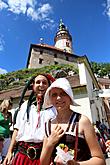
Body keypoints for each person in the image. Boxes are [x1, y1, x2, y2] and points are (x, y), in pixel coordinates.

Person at [40, 78, 105, 165]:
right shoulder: (48, 125)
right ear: (50, 99)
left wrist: (77, 164)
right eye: (54, 95)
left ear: (70, 97)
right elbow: (43, 163)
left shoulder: (82, 121)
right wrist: (50, 144)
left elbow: (100, 160)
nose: (59, 98)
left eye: (63, 94)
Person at [3, 74, 56, 165]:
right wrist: (9, 152)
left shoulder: (54, 108)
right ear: (33, 86)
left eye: (44, 83)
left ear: (48, 86)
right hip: (22, 155)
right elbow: (17, 129)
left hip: (44, 156)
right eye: (38, 82)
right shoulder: (25, 106)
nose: (41, 85)